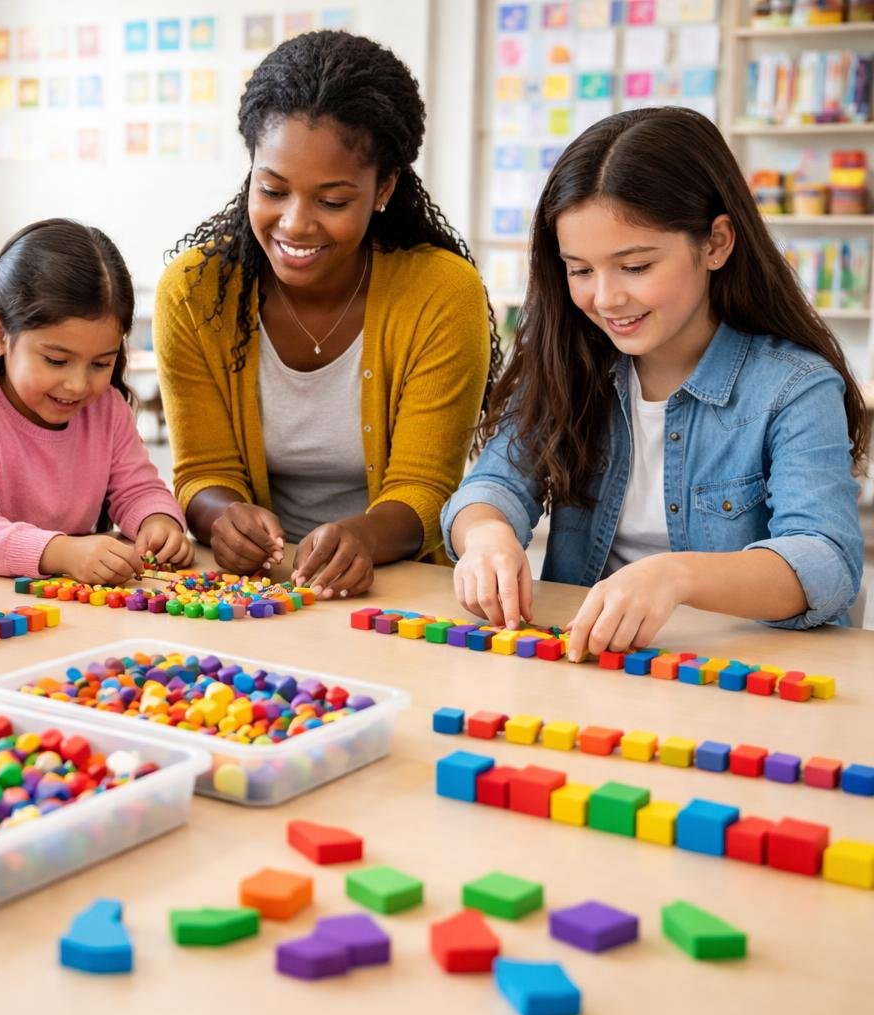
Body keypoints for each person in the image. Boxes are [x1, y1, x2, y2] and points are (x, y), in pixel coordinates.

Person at [443, 107, 866, 656]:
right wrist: (486, 536)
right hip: (590, 665)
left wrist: (675, 576)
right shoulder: (568, 358)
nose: (606, 298)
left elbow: (825, 559)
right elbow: (492, 486)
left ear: (715, 243)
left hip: (729, 673)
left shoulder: (794, 387)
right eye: (580, 269)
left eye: (636, 267)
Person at [158, 30, 497, 599]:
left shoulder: (440, 293)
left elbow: (425, 487)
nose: (295, 224)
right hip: (252, 591)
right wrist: (224, 517)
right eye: (272, 190)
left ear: (383, 187)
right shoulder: (195, 294)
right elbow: (201, 471)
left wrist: (361, 537)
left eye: (332, 201)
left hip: (400, 593)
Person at [0, 219, 191, 583]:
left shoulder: (107, 409)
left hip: (65, 607)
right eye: (56, 361)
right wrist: (63, 552)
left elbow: (137, 487)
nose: (78, 385)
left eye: (101, 363)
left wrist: (159, 522)